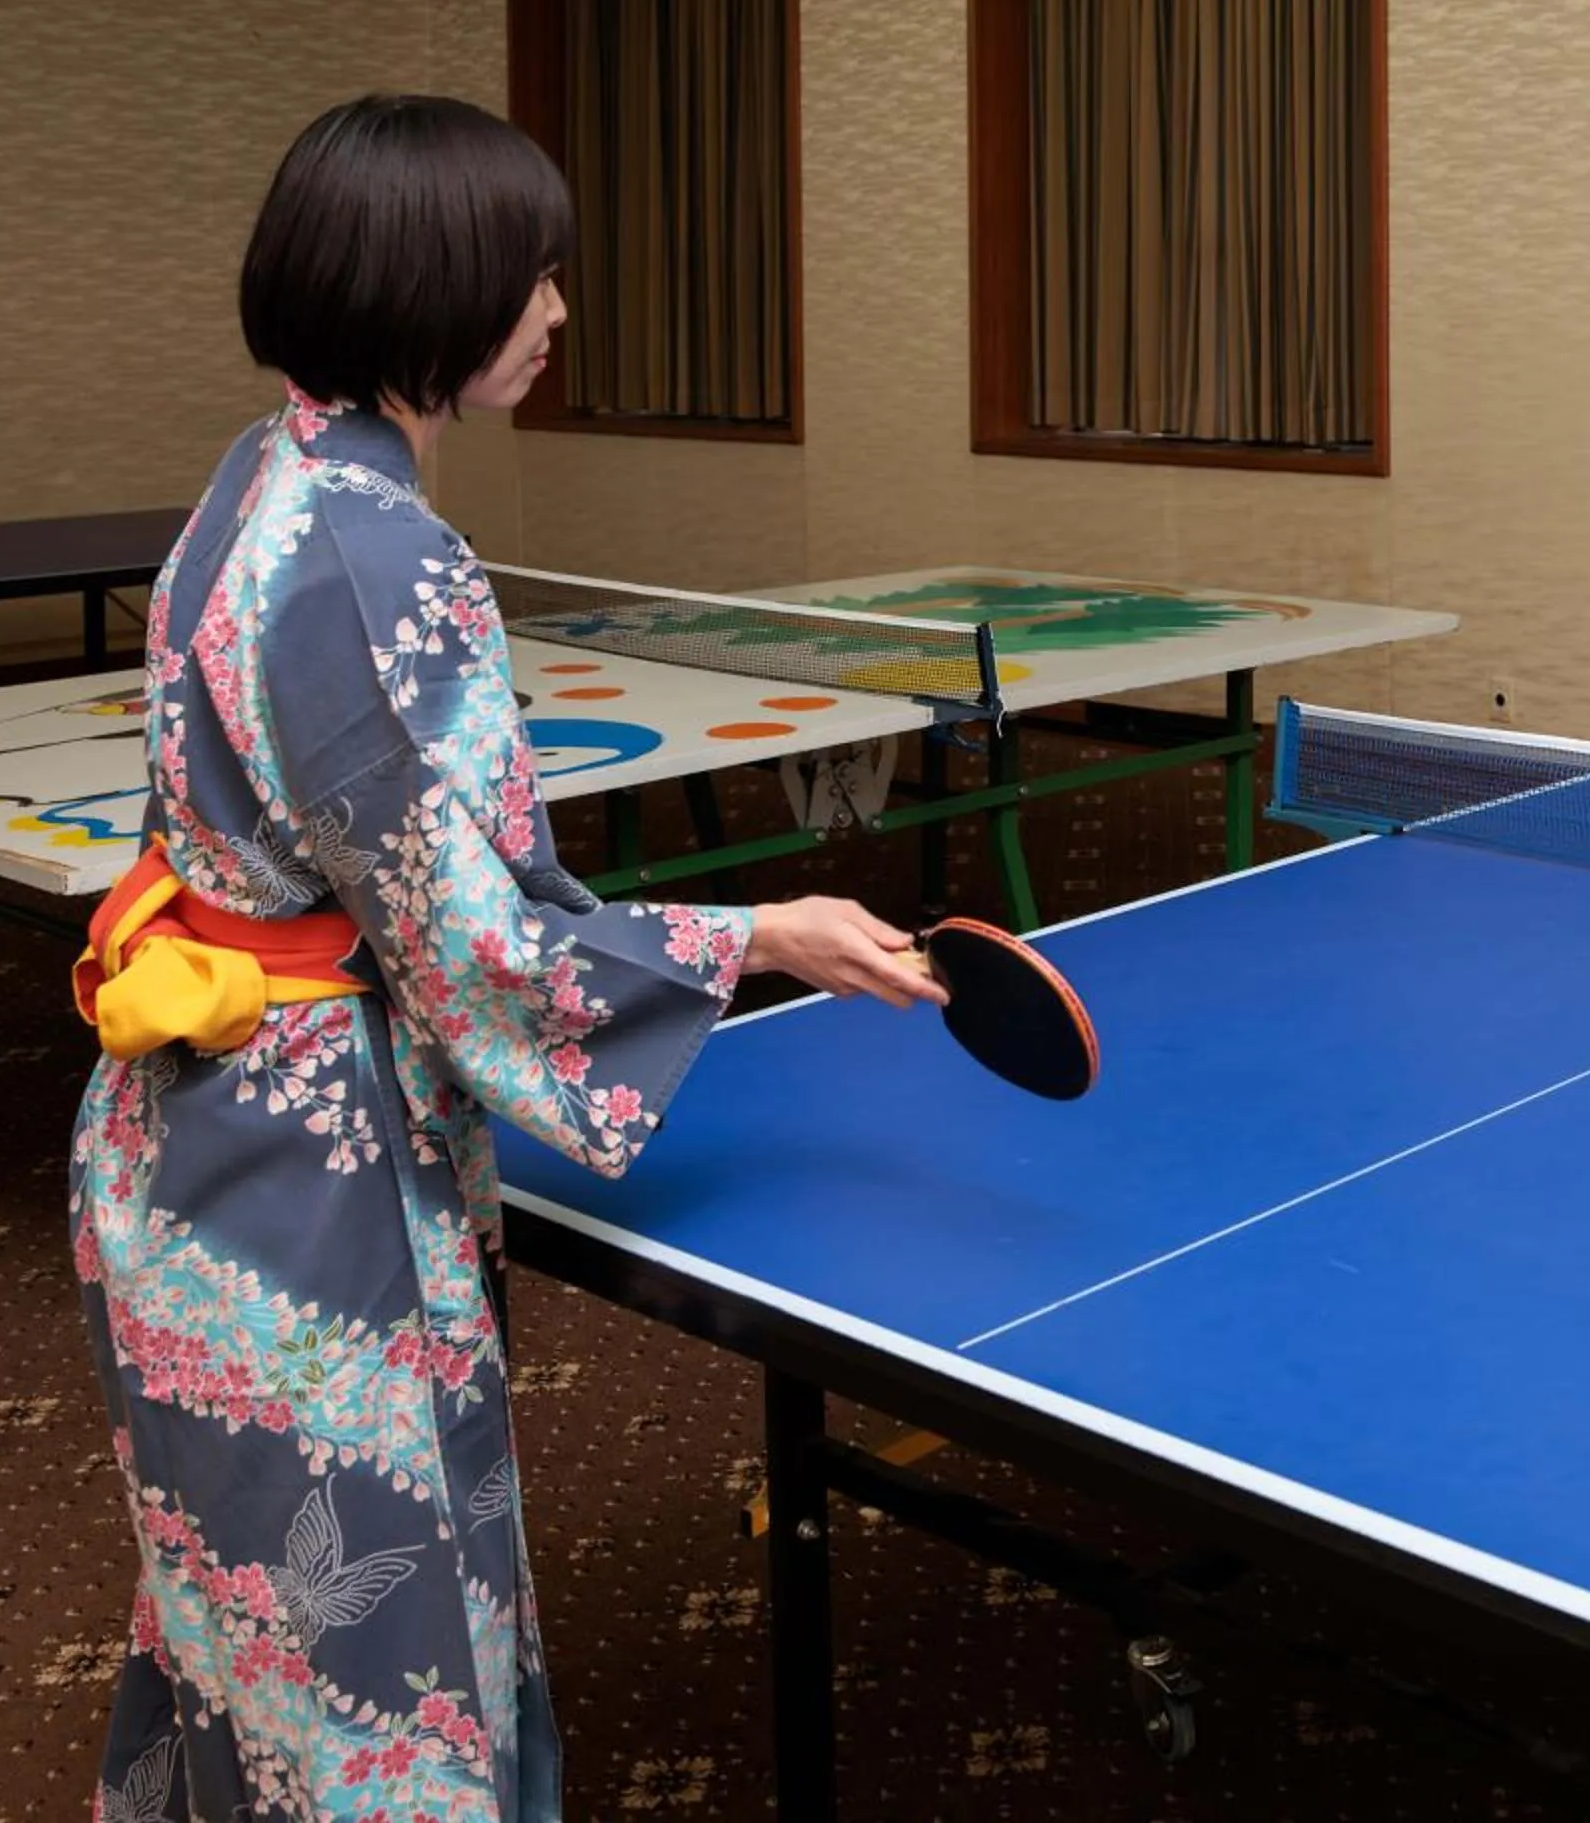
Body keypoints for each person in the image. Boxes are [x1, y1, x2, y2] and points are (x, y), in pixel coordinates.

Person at [65, 93, 941, 1821]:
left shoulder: (259, 477)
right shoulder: (381, 552)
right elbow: (471, 949)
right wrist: (760, 931)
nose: (556, 313)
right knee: (390, 1696)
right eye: (535, 275)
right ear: (434, 283)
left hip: (179, 1152)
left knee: (242, 1645)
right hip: (308, 1206)